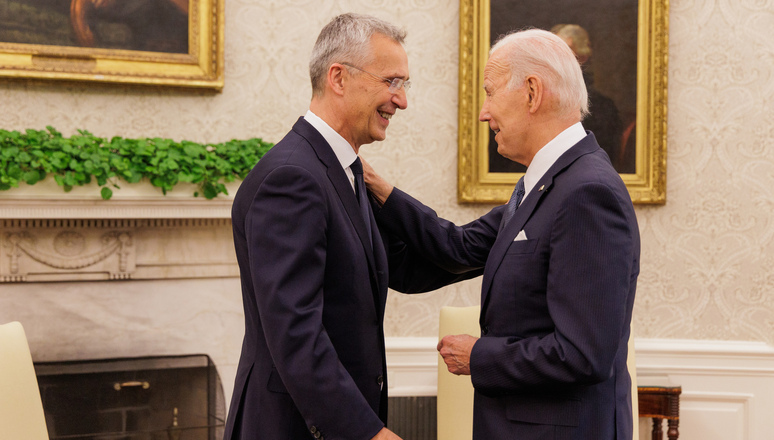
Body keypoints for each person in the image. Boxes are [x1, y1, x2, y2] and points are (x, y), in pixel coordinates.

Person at [365, 28, 640, 439]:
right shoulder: (546, 181)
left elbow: (584, 355)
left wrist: (479, 355)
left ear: (531, 92)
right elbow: (458, 247)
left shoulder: (587, 192)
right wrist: (378, 190)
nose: (483, 111)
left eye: (490, 92)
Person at [224, 13, 475, 440]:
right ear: (338, 77)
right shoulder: (293, 177)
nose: (402, 100)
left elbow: (405, 267)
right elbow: (295, 333)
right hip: (292, 426)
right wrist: (367, 433)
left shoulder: (345, 170)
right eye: (392, 82)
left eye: (405, 85)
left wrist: (513, 231)